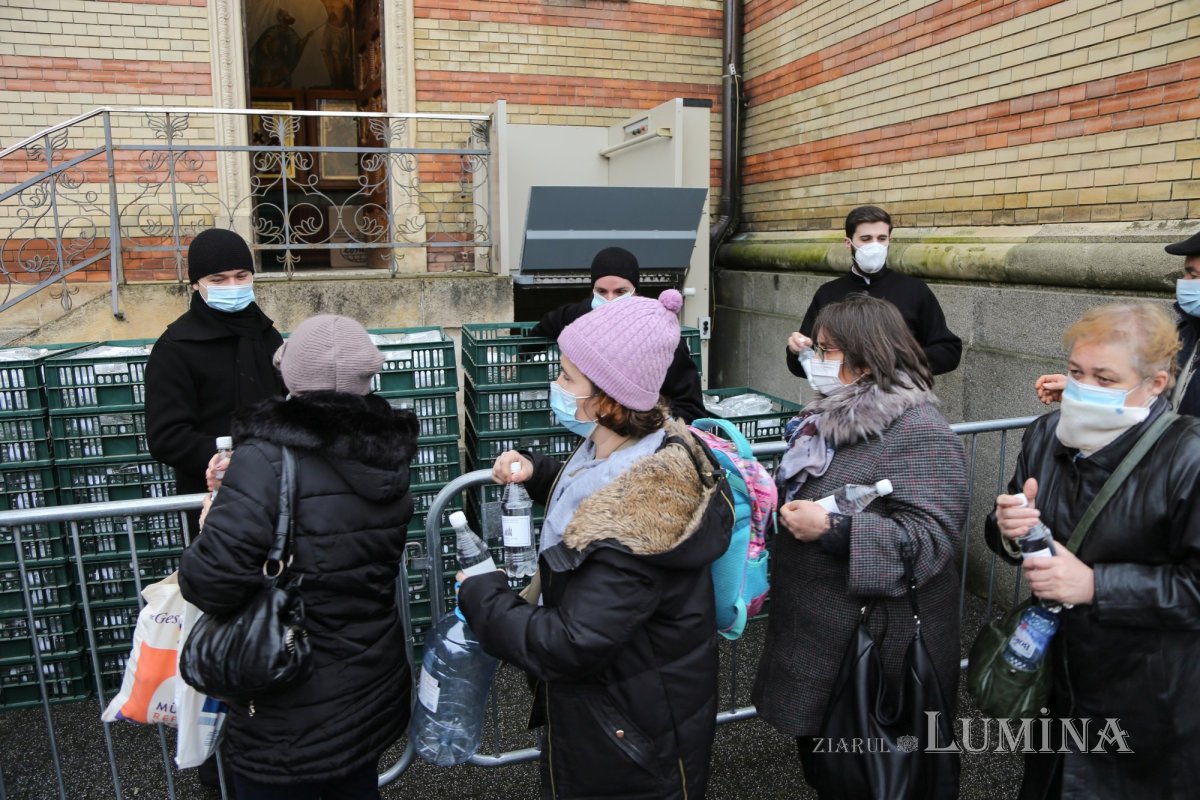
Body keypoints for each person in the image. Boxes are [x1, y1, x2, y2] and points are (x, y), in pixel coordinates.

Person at [457, 290, 734, 800]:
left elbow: (569, 643)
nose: (556, 385)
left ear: (608, 400)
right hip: (622, 714)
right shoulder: (636, 448)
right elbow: (594, 484)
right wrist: (538, 472)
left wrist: (482, 593)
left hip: (627, 738)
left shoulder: (639, 521)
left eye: (567, 378)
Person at [179, 315, 418, 800]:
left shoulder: (264, 459)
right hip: (368, 674)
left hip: (287, 685)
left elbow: (210, 583)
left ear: (290, 375)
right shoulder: (386, 456)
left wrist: (214, 518)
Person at [754, 294, 968, 796]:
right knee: (832, 774)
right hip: (822, 638)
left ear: (866, 359)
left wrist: (834, 530)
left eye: (825, 349)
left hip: (875, 650)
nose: (814, 358)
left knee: (877, 779)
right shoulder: (831, 418)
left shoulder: (918, 430)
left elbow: (931, 540)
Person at [987, 302, 1200, 800]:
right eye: (1076, 372)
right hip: (1058, 681)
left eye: (1105, 378)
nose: (1083, 389)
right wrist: (1009, 529)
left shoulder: (1187, 456)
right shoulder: (1046, 433)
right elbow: (1006, 530)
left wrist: (1096, 586)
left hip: (1148, 698)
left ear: (1155, 384)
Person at [145, 228, 285, 507]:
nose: (232, 285)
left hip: (276, 485)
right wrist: (224, 458)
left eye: (241, 276)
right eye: (218, 280)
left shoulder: (267, 334)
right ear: (196, 284)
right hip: (213, 494)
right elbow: (167, 436)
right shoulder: (175, 347)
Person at [529, 246, 706, 422]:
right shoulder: (580, 316)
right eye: (601, 292)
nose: (610, 300)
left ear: (635, 291)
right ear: (592, 291)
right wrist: (521, 357)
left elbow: (690, 407)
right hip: (592, 422)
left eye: (620, 292)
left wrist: (651, 426)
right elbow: (544, 327)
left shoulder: (658, 334)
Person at [1035, 230, 1200, 416]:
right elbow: (1154, 397)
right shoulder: (1186, 332)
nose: (1184, 282)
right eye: (1076, 371)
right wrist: (1087, 390)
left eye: (1194, 276)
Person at [785, 205, 962, 378]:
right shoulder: (827, 293)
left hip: (899, 394)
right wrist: (796, 350)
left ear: (889, 241)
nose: (875, 245)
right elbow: (801, 364)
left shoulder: (915, 290)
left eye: (882, 238)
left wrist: (896, 362)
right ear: (848, 243)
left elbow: (949, 351)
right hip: (841, 395)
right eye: (866, 239)